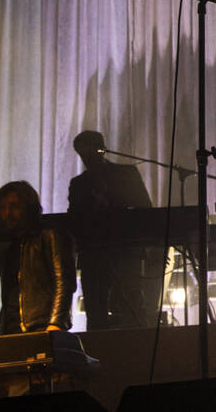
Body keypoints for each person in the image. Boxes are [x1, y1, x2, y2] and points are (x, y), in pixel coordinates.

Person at [67, 130, 157, 329]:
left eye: (89, 152)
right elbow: (74, 221)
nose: (86, 158)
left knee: (132, 307)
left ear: (102, 150)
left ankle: (135, 350)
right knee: (96, 311)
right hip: (94, 255)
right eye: (82, 154)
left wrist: (150, 246)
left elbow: (145, 210)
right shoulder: (79, 184)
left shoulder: (126, 174)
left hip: (125, 251)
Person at [0, 181, 74, 335]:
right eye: (2, 208)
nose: (7, 213)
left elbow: (64, 282)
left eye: (14, 206)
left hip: (41, 326)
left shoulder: (50, 235)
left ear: (28, 208)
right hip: (13, 330)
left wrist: (56, 323)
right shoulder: (12, 247)